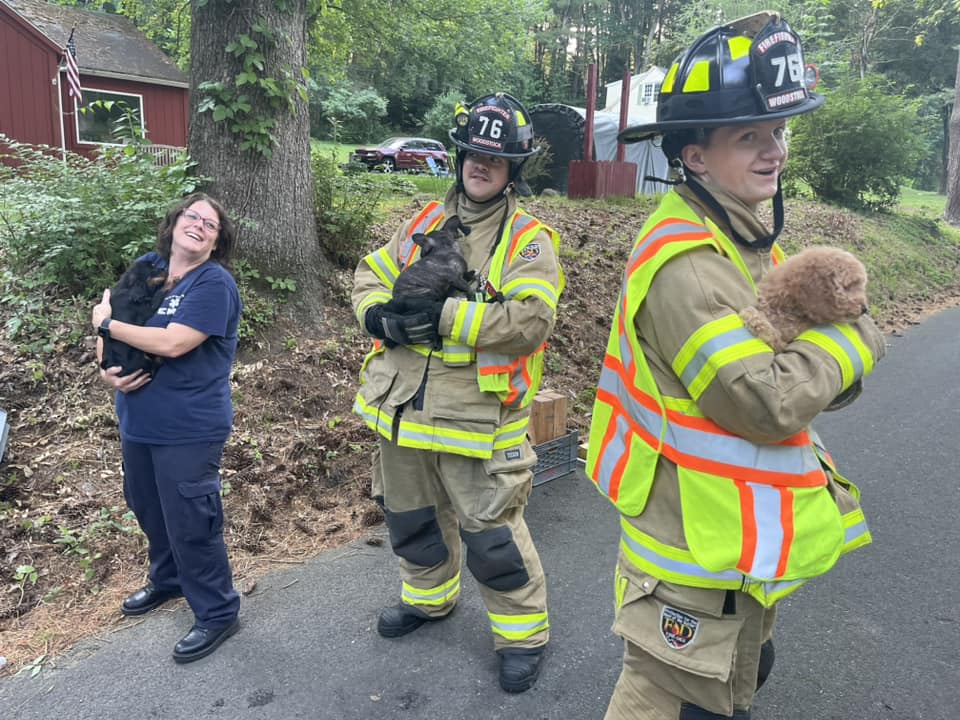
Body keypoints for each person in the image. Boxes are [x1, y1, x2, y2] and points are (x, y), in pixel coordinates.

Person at [584, 12, 887, 720]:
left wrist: (824, 359)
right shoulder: (689, 262)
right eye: (748, 136)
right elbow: (767, 403)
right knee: (663, 696)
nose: (774, 151)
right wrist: (858, 338)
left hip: (732, 541)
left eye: (778, 132)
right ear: (693, 156)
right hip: (691, 550)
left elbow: (798, 378)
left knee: (737, 678)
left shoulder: (743, 240)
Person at [351, 92, 564, 693]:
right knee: (411, 519)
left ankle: (523, 636)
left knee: (492, 535)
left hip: (477, 417)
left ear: (512, 170)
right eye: (473, 154)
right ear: (460, 156)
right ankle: (428, 600)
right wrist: (381, 320)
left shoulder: (527, 240)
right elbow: (370, 277)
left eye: (494, 161)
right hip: (402, 410)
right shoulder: (421, 222)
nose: (480, 166)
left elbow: (530, 323)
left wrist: (444, 317)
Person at [91, 192, 242, 664]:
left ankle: (218, 612)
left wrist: (108, 327)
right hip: (138, 420)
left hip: (189, 426)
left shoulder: (213, 284)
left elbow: (173, 342)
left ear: (216, 243)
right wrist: (104, 367)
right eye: (191, 216)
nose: (197, 225)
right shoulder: (148, 265)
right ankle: (169, 580)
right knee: (147, 506)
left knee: (191, 520)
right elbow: (106, 318)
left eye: (209, 225)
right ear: (175, 222)